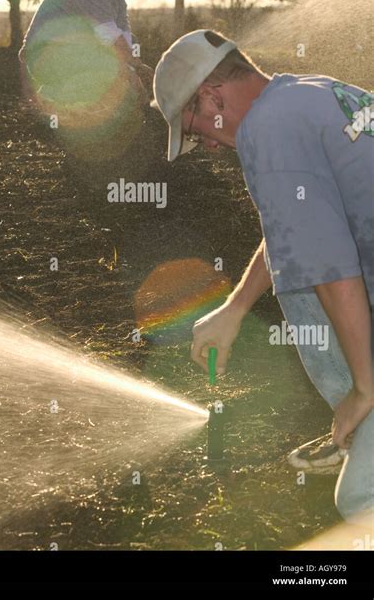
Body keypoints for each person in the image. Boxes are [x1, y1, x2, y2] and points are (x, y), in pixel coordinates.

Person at [151, 28, 374, 523]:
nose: (204, 145)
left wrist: (363, 387)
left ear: (211, 96)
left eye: (193, 129)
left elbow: (331, 269)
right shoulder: (302, 94)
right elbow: (295, 229)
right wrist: (235, 308)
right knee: (298, 265)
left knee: (359, 502)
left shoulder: (264, 132)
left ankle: (362, 416)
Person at [18, 0, 153, 105]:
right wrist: (135, 69)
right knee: (108, 63)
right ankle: (55, 96)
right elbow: (109, 36)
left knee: (126, 49)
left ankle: (67, 94)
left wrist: (134, 68)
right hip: (43, 57)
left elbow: (125, 38)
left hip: (64, 51)